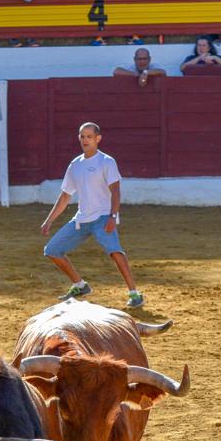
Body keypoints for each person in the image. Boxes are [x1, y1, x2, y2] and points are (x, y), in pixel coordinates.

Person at [41, 122, 145, 309]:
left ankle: (134, 292)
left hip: (103, 216)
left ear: (98, 139)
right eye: (82, 136)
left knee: (114, 251)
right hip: (82, 219)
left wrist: (113, 216)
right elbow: (65, 196)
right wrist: (49, 220)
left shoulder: (106, 161)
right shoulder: (75, 164)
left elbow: (115, 191)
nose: (85, 140)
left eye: (89, 136)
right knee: (52, 250)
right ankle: (80, 285)